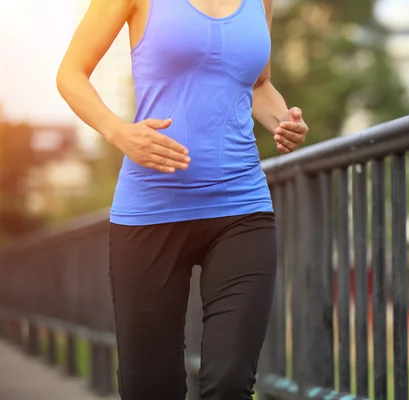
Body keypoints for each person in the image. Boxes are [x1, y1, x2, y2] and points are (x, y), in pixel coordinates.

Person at [56, 0, 308, 398]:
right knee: (150, 388)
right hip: (151, 210)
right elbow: (70, 73)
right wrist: (119, 132)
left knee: (230, 384)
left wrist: (285, 124)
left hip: (242, 207)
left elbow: (257, 84)